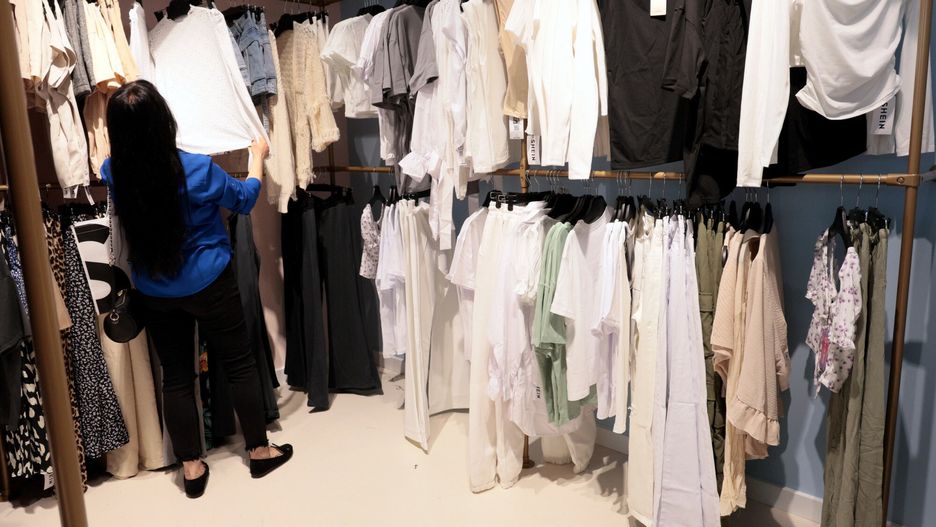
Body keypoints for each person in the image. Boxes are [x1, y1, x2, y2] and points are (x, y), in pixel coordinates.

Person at [101, 80, 292, 499]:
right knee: (238, 363)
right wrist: (256, 157)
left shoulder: (113, 172)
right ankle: (259, 451)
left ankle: (190, 467)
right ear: (164, 121)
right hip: (210, 281)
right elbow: (245, 198)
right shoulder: (197, 170)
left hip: (155, 290)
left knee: (176, 376)